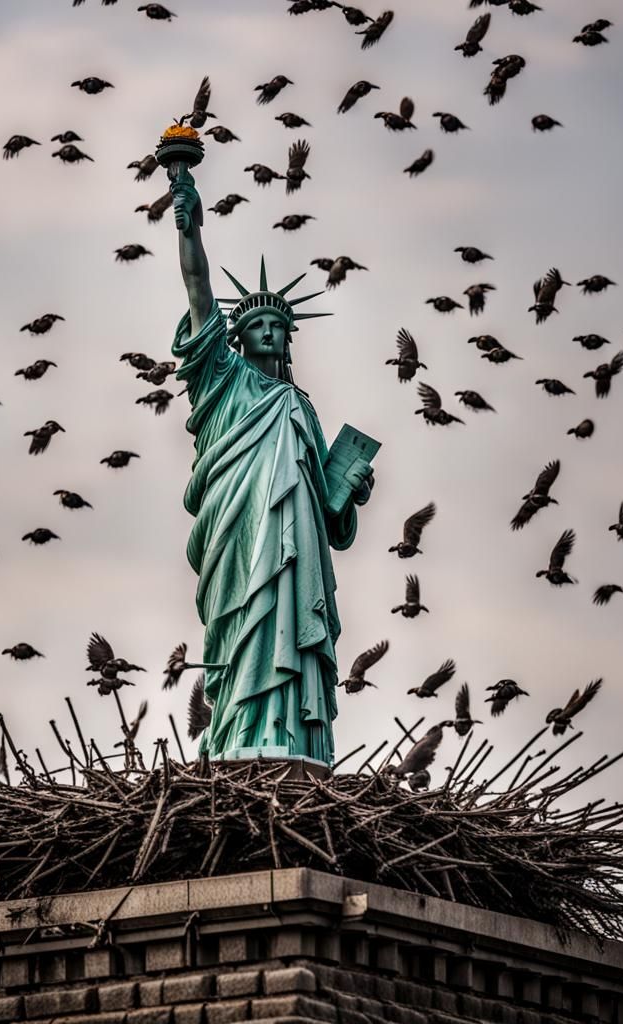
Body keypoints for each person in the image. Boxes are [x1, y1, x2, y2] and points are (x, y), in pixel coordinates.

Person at [169, 165, 373, 765]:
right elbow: (197, 286)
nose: (267, 333)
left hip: (299, 543)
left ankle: (293, 735)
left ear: (288, 340)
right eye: (256, 325)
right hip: (239, 530)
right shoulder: (223, 381)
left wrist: (351, 494)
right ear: (237, 337)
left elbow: (327, 510)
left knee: (292, 615)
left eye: (277, 327)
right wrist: (189, 223)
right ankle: (240, 732)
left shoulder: (300, 407)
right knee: (244, 626)